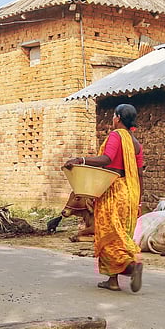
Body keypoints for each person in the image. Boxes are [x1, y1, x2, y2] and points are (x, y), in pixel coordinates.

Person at [64, 104, 144, 292]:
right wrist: (139, 199)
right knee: (118, 233)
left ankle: (132, 267)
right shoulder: (136, 144)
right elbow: (139, 174)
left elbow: (107, 159)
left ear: (117, 118)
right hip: (129, 192)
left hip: (113, 191)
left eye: (114, 116)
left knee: (109, 234)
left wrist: (81, 160)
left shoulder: (116, 136)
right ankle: (113, 281)